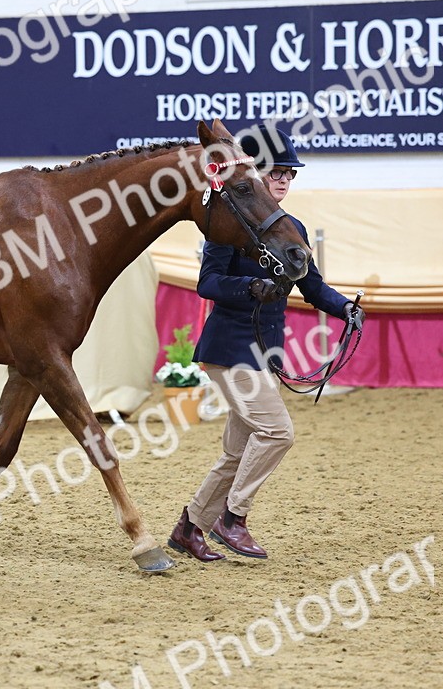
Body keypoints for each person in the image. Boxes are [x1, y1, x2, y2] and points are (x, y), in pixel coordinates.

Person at [168, 124, 365, 563]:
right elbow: (209, 283)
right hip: (229, 350)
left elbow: (312, 287)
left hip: (263, 353)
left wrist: (344, 309)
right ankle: (232, 518)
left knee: (237, 453)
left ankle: (190, 527)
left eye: (289, 175)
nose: (283, 180)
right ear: (256, 175)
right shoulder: (228, 222)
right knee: (277, 432)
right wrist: (251, 286)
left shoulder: (291, 227)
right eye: (275, 173)